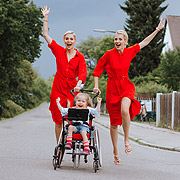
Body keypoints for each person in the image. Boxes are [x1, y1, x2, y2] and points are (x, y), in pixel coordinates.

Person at [93, 18, 165, 164]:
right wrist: (96, 86)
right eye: (115, 39)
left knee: (125, 111)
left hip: (125, 85)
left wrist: (157, 30)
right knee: (113, 124)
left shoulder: (130, 51)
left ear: (125, 42)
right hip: (112, 88)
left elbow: (144, 42)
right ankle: (115, 152)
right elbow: (97, 71)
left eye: (120, 39)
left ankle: (126, 139)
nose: (117, 41)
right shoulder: (108, 54)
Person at [41, 6, 87, 144]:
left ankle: (69, 138)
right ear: (64, 40)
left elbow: (83, 72)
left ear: (75, 41)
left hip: (72, 88)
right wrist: (45, 17)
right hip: (58, 86)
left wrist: (79, 84)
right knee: (57, 118)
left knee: (70, 115)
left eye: (71, 39)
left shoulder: (79, 56)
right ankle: (59, 144)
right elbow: (45, 35)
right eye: (66, 39)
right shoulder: (59, 51)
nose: (69, 41)